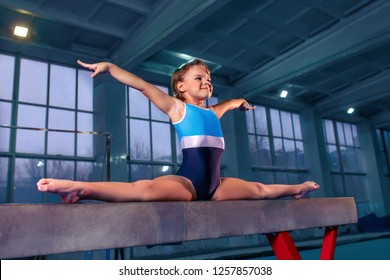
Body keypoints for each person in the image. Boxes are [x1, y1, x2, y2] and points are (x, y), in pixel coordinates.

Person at [37, 59, 319, 203]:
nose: (207, 81)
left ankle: (298, 189)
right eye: (199, 77)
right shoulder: (177, 108)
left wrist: (240, 103)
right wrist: (110, 67)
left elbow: (229, 104)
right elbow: (142, 86)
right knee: (145, 190)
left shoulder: (212, 111)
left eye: (209, 79)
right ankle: (79, 189)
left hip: (216, 186)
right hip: (187, 183)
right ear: (181, 87)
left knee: (259, 189)